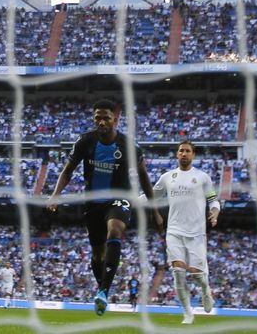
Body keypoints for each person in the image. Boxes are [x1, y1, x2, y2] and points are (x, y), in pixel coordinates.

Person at [47, 99, 163, 316]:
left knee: (115, 228)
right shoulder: (85, 142)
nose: (101, 122)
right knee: (98, 254)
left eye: (106, 118)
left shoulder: (128, 146)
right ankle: (103, 290)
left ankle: (102, 291)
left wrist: (155, 211)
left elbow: (144, 178)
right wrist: (55, 195)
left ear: (115, 120)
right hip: (92, 203)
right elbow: (68, 170)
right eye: (97, 118)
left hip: (119, 199)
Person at [142, 141, 220, 324]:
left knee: (196, 274)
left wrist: (215, 212)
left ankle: (206, 290)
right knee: (178, 271)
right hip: (174, 231)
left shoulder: (202, 177)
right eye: (181, 151)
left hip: (196, 233)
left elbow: (214, 200)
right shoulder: (168, 177)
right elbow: (151, 196)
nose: (184, 154)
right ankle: (187, 313)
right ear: (177, 154)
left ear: (193, 155)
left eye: (187, 151)